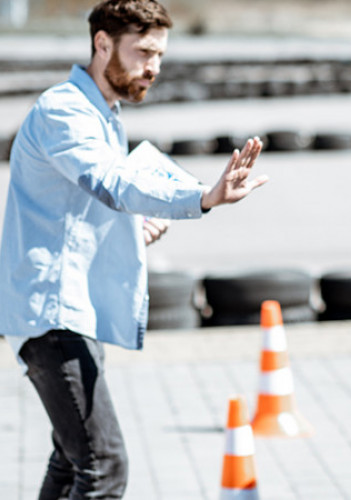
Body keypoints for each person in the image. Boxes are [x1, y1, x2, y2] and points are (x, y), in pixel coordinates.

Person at [0, 1, 268, 498]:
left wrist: (129, 231)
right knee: (104, 466)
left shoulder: (104, 115)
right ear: (102, 44)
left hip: (71, 309)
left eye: (161, 55)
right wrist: (201, 198)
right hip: (51, 314)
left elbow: (77, 212)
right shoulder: (64, 110)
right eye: (144, 51)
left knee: (72, 458)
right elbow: (111, 183)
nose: (155, 67)